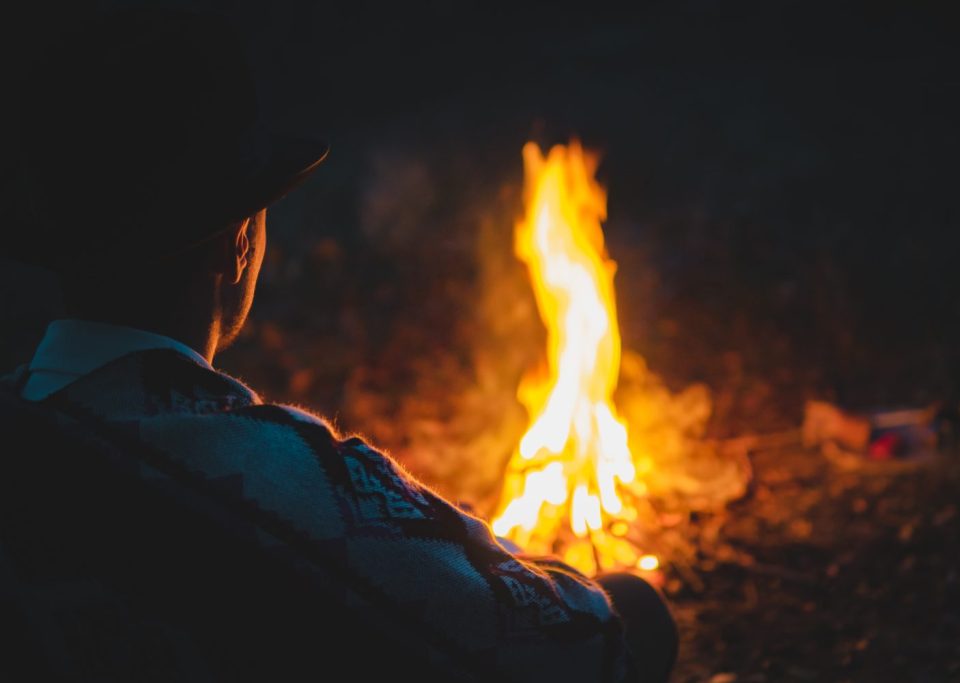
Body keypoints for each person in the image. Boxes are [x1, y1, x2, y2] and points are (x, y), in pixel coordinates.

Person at [1, 8, 677, 682]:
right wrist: (602, 591)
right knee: (638, 608)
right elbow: (587, 648)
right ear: (238, 243)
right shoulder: (274, 482)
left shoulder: (26, 425)